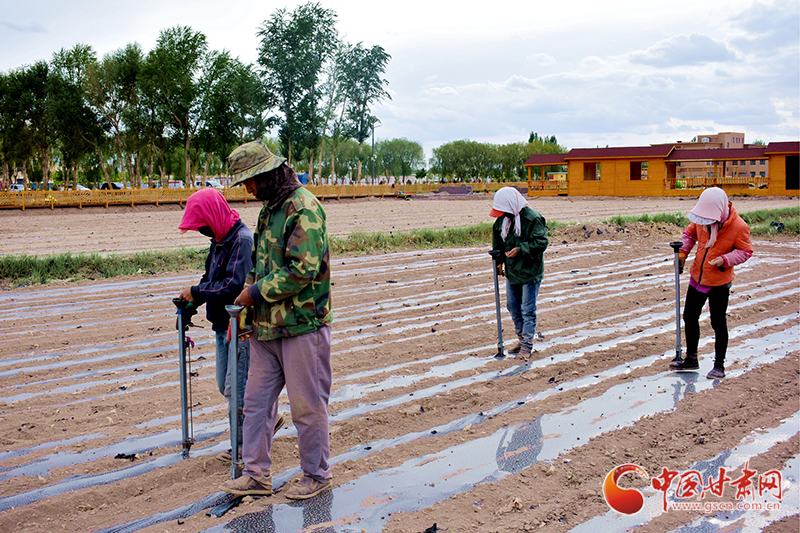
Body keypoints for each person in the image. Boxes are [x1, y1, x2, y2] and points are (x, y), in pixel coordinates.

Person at [219, 139, 333, 500]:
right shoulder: (269, 211)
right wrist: (246, 311)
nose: (248, 190)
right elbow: (259, 267)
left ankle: (316, 475)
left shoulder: (304, 208)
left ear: (269, 174)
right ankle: (256, 475)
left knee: (307, 407)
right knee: (255, 403)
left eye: (250, 181)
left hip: (302, 326)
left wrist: (253, 294)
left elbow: (302, 270)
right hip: (266, 329)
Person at [177, 188, 263, 462]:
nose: (201, 230)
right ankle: (266, 421)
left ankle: (243, 449)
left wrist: (197, 291)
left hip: (239, 326)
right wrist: (191, 304)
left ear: (213, 216)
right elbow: (210, 279)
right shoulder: (219, 240)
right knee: (224, 385)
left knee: (236, 389)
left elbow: (233, 286)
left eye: (201, 224)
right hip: (220, 325)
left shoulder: (242, 241)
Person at [670, 187, 752, 379]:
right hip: (697, 276)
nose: (706, 222)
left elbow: (745, 251)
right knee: (690, 317)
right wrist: (682, 253)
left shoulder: (739, 226)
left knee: (718, 322)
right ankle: (691, 359)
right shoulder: (702, 220)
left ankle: (719, 366)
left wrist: (725, 260)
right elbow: (689, 235)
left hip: (719, 282)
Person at [490, 187, 549, 359]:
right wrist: (499, 261)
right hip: (513, 271)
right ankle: (522, 338)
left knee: (528, 309)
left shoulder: (532, 218)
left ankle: (527, 345)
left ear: (511, 204)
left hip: (530, 271)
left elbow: (541, 242)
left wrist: (521, 249)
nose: (503, 214)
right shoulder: (502, 221)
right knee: (512, 306)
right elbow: (498, 243)